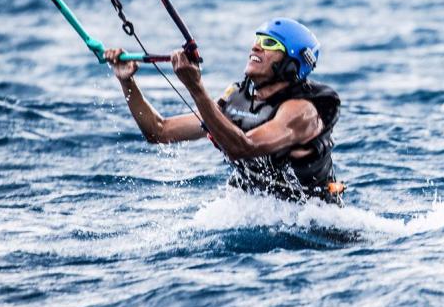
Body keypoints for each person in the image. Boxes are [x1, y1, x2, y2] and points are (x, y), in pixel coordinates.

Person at [104, 17, 344, 205]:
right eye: (257, 39)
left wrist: (195, 88)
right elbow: (159, 131)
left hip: (314, 221)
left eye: (269, 43)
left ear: (293, 63)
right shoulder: (237, 100)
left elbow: (243, 148)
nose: (256, 47)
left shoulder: (302, 112)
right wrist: (127, 82)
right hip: (260, 213)